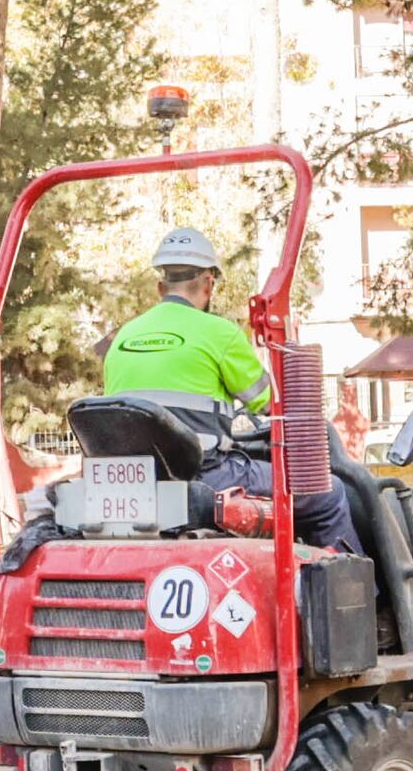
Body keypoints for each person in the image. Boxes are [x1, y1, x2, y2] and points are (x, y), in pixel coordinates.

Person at [95, 228, 354, 551]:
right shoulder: (220, 333)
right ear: (208, 284)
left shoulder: (123, 337)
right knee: (329, 493)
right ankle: (358, 596)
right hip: (206, 478)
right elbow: (274, 406)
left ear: (162, 287)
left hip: (131, 486)